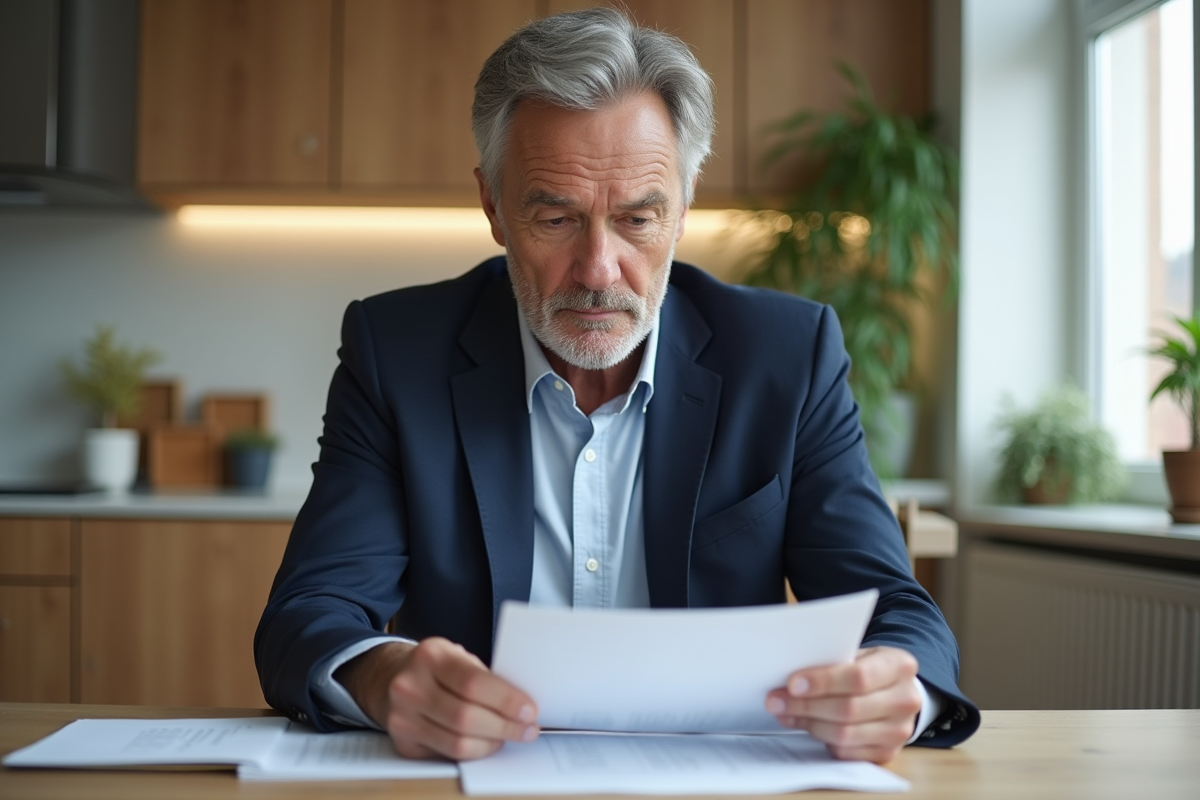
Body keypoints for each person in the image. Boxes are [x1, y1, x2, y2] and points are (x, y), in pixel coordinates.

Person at [255, 7, 980, 765]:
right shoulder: (398, 354)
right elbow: (308, 613)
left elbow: (898, 611)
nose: (599, 270)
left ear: (684, 208)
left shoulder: (788, 358)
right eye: (556, 218)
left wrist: (897, 689)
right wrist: (380, 676)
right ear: (493, 206)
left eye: (637, 219)